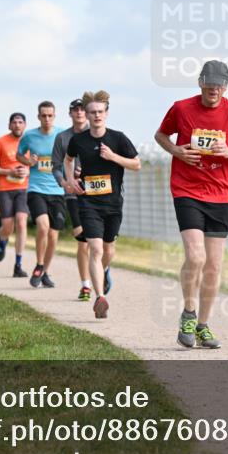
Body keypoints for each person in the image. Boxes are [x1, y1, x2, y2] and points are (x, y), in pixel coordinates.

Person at [154, 60, 228, 350]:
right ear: (200, 82)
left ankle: (203, 325)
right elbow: (160, 135)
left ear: (225, 86)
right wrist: (176, 150)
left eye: (219, 84)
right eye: (209, 83)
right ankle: (188, 313)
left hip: (222, 194)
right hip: (187, 189)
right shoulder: (181, 108)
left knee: (213, 266)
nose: (214, 89)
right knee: (196, 257)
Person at [65, 90, 140, 318]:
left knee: (108, 249)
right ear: (86, 115)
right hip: (88, 203)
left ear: (106, 113)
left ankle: (105, 270)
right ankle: (100, 298)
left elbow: (136, 164)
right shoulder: (79, 140)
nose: (96, 116)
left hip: (113, 204)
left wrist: (113, 157)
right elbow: (68, 160)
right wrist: (70, 181)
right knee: (95, 249)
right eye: (92, 112)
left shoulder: (118, 138)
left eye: (100, 112)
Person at [17, 101, 65, 288]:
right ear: (38, 117)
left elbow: (70, 156)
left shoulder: (62, 135)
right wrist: (28, 161)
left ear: (54, 116)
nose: (46, 119)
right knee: (43, 226)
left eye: (50, 115)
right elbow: (19, 155)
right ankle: (38, 264)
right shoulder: (29, 136)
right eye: (43, 115)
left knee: (53, 235)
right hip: (36, 189)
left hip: (57, 190)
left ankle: (44, 270)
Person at [53, 98, 92, 301]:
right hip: (72, 194)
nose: (79, 113)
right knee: (82, 239)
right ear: (70, 114)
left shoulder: (97, 133)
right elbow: (55, 165)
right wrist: (64, 181)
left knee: (100, 242)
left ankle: (102, 272)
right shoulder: (62, 137)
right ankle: (85, 285)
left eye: (82, 109)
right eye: (75, 110)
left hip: (95, 192)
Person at [0, 113, 30, 278]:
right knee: (8, 226)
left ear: (24, 125)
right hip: (4, 188)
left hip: (24, 188)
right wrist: (8, 171)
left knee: (21, 222)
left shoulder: (31, 142)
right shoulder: (1, 142)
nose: (17, 125)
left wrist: (27, 170)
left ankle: (18, 264)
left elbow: (36, 165)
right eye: (14, 122)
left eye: (20, 122)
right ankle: (2, 241)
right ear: (9, 125)